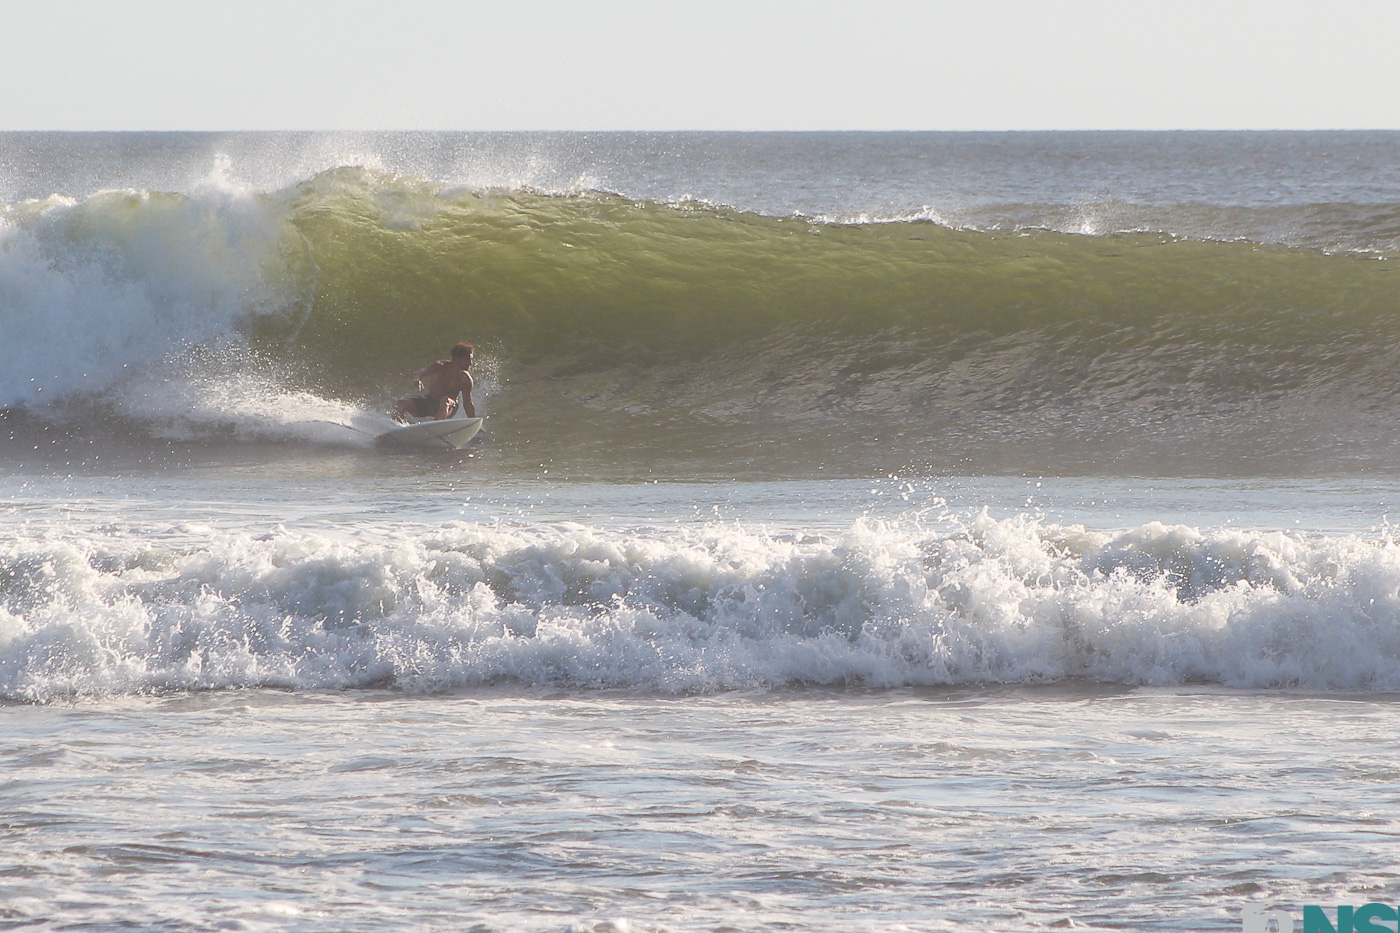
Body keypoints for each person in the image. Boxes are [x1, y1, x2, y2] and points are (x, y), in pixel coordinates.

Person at [394, 342, 476, 422]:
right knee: (401, 404)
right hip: (430, 402)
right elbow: (422, 372)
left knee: (445, 400)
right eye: (467, 359)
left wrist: (474, 423)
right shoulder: (440, 366)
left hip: (450, 407)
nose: (470, 363)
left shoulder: (466, 379)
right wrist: (417, 379)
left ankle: (435, 428)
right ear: (457, 358)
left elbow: (468, 404)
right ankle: (396, 427)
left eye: (471, 359)